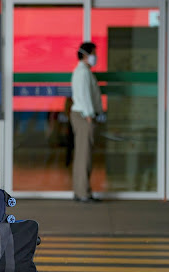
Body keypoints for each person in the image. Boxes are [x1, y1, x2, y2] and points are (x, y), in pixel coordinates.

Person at [70, 42, 103, 203]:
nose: (95, 56)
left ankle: (81, 191)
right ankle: (83, 193)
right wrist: (90, 115)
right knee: (84, 156)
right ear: (85, 54)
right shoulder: (82, 73)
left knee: (82, 155)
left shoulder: (83, 71)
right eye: (93, 53)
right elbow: (85, 96)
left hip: (82, 115)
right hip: (84, 116)